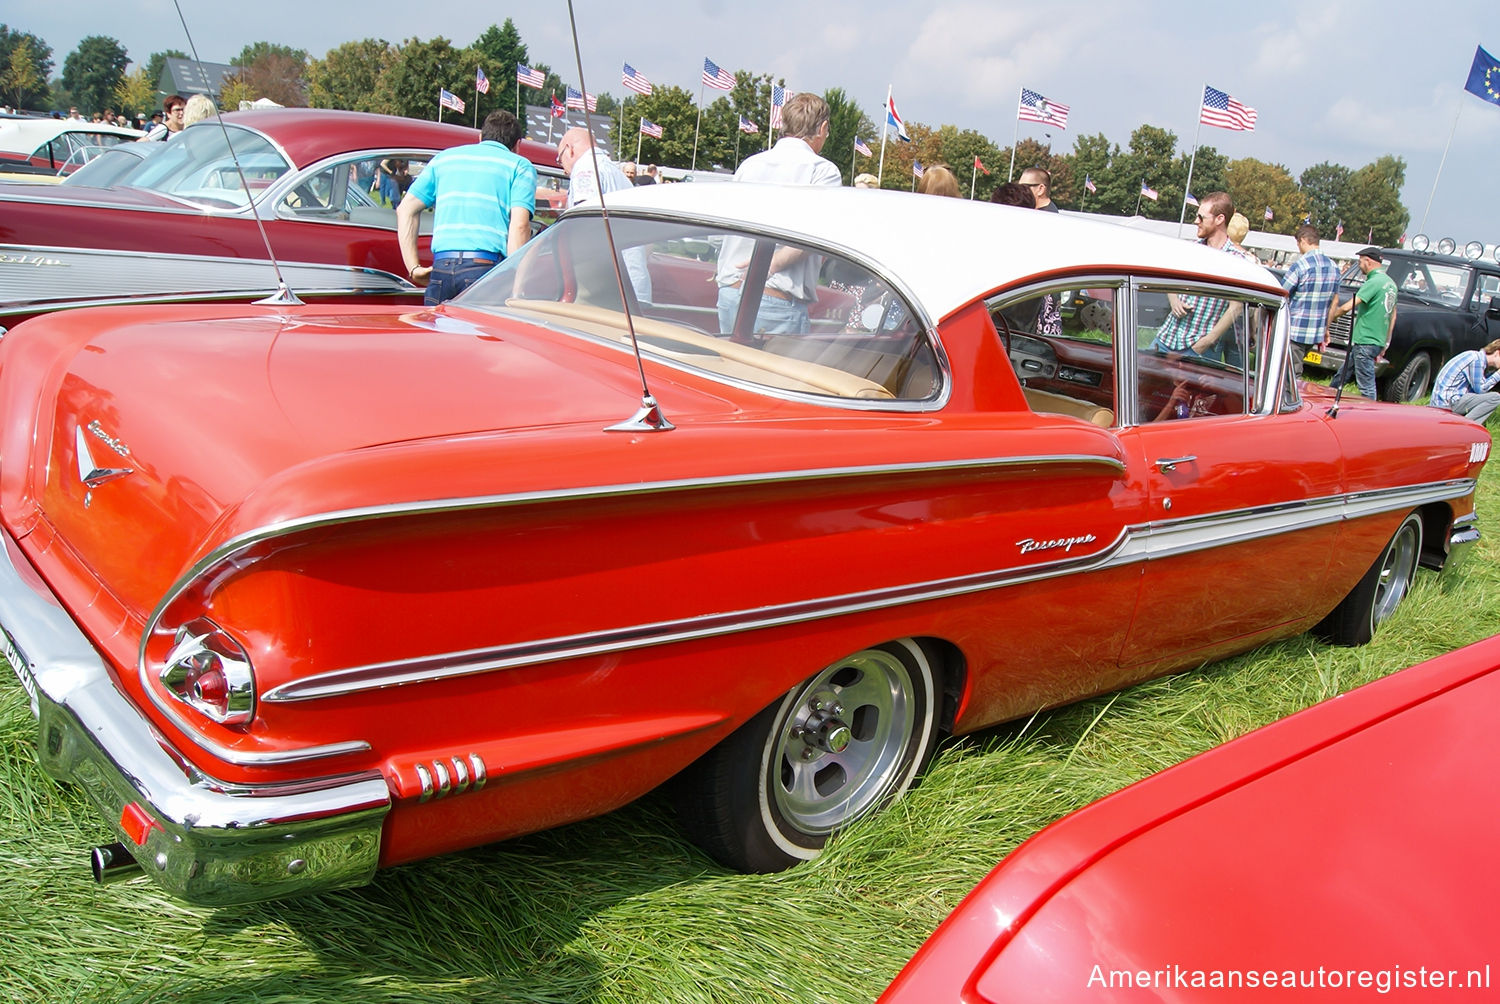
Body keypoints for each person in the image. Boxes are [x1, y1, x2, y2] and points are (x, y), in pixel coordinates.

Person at [714, 92, 841, 334]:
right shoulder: (823, 171)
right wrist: (768, 265)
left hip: (730, 289)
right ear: (822, 128)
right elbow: (815, 236)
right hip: (776, 296)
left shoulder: (750, 164)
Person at [397, 109, 536, 306]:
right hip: (485, 267)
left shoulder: (444, 159)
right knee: (481, 335)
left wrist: (414, 268)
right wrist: (514, 283)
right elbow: (520, 226)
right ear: (518, 145)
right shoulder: (520, 166)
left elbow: (406, 209)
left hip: (442, 266)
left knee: (438, 334)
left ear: (480, 137)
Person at [1150, 192, 1254, 358]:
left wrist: (1206, 342)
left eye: (1201, 217)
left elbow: (1236, 307)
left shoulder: (1236, 260)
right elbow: (1169, 280)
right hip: (1166, 338)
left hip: (1197, 348)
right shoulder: (1192, 249)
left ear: (1219, 219)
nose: (1196, 221)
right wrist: (1174, 299)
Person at [556, 125, 651, 301]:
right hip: (631, 282)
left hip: (607, 287)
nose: (563, 168)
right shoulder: (615, 172)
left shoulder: (585, 169)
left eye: (559, 159)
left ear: (569, 150)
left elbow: (584, 224)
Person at [1329, 248, 1397, 398]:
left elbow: (1348, 306)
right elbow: (1393, 316)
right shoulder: (1391, 284)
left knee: (1367, 387)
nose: (1359, 266)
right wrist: (1386, 342)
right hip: (1376, 340)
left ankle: (1369, 414)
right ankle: (1329, 396)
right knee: (1342, 376)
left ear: (1368, 261)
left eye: (1360, 262)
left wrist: (1330, 318)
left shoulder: (1374, 282)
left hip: (1365, 339)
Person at [1280, 225, 1341, 377]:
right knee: (1294, 371)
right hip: (1315, 331)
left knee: (1290, 376)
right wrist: (1326, 328)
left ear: (1302, 241)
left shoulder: (1301, 265)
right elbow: (1334, 302)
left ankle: (1288, 400)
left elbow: (1281, 293)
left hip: (1295, 329)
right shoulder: (1334, 267)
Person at [1429, 339, 1500, 425]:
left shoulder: (1476, 357)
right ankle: (1464, 427)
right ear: (1497, 353)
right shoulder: (1476, 360)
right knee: (1495, 398)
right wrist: (1498, 374)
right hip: (1446, 404)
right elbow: (1481, 390)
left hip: (1444, 402)